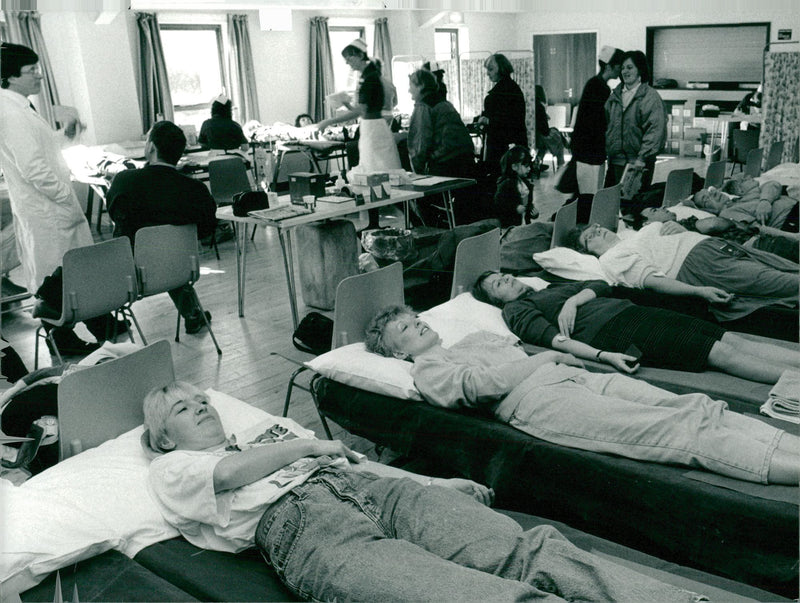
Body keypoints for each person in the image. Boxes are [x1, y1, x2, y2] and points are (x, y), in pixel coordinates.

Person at [144, 380, 704, 602]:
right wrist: (308, 447)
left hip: (369, 490)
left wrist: (436, 483)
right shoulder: (173, 469)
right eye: (181, 408)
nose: (199, 407)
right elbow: (228, 477)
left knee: (528, 551)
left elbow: (359, 465)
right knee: (479, 598)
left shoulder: (269, 433)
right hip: (312, 533)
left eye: (202, 399)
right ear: (164, 438)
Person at [366, 306, 799, 486]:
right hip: (541, 403)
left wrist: (571, 362)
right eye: (404, 328)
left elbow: (518, 357)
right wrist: (541, 364)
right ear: (397, 351)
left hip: (574, 377)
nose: (417, 323)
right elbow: (480, 389)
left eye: (414, 316)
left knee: (696, 405)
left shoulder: (471, 341)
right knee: (677, 431)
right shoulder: (428, 370)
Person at [473, 271, 799, 384]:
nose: (505, 279)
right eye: (497, 285)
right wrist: (603, 355)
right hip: (616, 333)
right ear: (495, 300)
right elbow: (558, 342)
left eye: (503, 275)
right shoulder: (517, 311)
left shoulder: (547, 289)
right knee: (720, 353)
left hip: (631, 310)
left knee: (729, 337)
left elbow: (599, 284)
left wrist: (574, 301)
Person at [0, 43, 110, 355]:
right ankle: (65, 337)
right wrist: (64, 197)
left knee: (68, 272)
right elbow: (34, 168)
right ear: (10, 77)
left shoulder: (19, 106)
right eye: (31, 71)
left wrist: (68, 132)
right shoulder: (9, 112)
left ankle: (95, 325)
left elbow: (44, 149)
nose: (40, 76)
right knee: (55, 276)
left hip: (50, 210)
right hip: (47, 211)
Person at [565, 221, 799, 322]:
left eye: (595, 227)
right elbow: (653, 281)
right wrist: (699, 291)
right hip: (704, 265)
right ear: (588, 252)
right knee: (787, 284)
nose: (597, 230)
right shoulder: (610, 259)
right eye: (590, 237)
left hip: (713, 245)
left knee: (790, 269)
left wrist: (680, 228)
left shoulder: (630, 236)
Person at [106, 121, 217, 335]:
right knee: (165, 252)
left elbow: (115, 215)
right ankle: (192, 312)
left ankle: (102, 327)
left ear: (151, 148)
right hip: (179, 269)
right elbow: (205, 230)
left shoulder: (125, 182)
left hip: (133, 275)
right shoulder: (196, 190)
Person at [315, 38, 401, 230]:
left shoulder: (370, 78)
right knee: (370, 175)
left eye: (348, 58)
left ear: (359, 55)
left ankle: (393, 218)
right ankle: (373, 222)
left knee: (378, 173)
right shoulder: (367, 76)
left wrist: (328, 121)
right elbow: (361, 109)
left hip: (374, 128)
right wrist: (345, 103)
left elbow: (361, 111)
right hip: (371, 127)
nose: (347, 62)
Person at [406, 69, 477, 225]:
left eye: (411, 85)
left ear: (420, 86)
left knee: (413, 196)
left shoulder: (423, 107)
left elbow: (419, 145)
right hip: (467, 165)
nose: (408, 89)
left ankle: (429, 230)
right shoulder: (444, 103)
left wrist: (417, 175)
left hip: (445, 168)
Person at [630, 205, 799, 263]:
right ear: (647, 223)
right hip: (758, 246)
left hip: (758, 247)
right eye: (655, 210)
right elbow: (714, 224)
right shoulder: (681, 225)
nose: (663, 208)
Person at [604, 50, 666, 193]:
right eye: (623, 68)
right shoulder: (614, 96)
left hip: (639, 164)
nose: (625, 71)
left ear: (640, 70)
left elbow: (655, 131)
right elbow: (605, 125)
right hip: (615, 162)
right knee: (609, 204)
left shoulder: (650, 97)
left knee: (632, 208)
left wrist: (642, 158)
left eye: (630, 67)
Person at [570, 46, 625, 196]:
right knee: (589, 192)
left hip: (587, 147)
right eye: (620, 67)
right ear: (609, 66)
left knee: (588, 190)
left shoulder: (596, 84)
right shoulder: (599, 87)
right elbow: (597, 121)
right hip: (589, 149)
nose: (621, 71)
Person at [477, 53, 528, 178]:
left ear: (501, 69)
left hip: (504, 146)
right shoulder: (509, 88)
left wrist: (488, 121)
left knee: (504, 181)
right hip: (505, 144)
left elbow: (510, 120)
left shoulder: (506, 91)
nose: (488, 73)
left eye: (491, 69)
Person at [692, 176, 798, 231]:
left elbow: (773, 184)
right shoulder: (727, 213)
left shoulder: (739, 198)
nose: (713, 193)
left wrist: (765, 201)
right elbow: (758, 230)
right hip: (791, 220)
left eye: (711, 191)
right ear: (709, 210)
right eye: (706, 199)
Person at [493, 145, 537, 228]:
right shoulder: (506, 184)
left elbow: (528, 205)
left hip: (524, 225)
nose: (529, 169)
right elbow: (499, 203)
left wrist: (533, 213)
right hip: (509, 226)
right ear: (514, 167)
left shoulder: (526, 184)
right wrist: (515, 208)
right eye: (526, 166)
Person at [533, 85, 565, 173]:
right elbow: (545, 129)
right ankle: (560, 165)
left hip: (536, 135)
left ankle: (537, 163)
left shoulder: (532, 105)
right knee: (558, 139)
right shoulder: (540, 106)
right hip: (542, 135)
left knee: (544, 146)